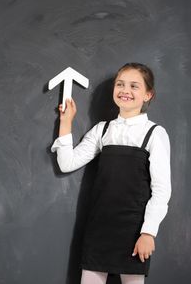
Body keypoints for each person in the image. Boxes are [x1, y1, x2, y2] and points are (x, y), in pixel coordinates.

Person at [51, 63, 171, 284]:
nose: (125, 91)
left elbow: (162, 190)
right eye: (120, 84)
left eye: (134, 86)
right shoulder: (102, 130)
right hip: (99, 227)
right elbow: (67, 163)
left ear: (148, 94)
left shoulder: (154, 133)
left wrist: (148, 233)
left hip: (135, 230)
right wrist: (65, 123)